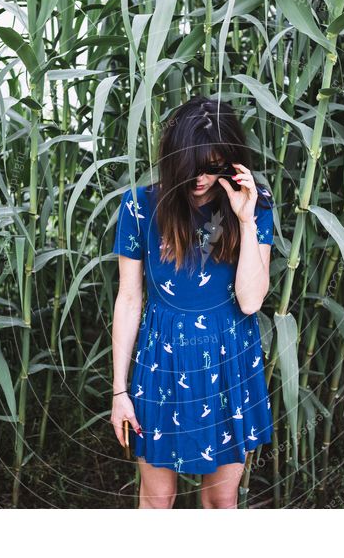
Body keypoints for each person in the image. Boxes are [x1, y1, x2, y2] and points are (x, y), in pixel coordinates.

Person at [110, 95, 275, 509]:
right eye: (191, 166)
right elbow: (129, 299)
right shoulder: (140, 207)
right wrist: (119, 391)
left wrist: (244, 218)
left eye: (213, 167)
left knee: (221, 501)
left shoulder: (256, 205)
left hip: (229, 362)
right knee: (157, 499)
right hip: (162, 362)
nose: (200, 179)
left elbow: (251, 300)